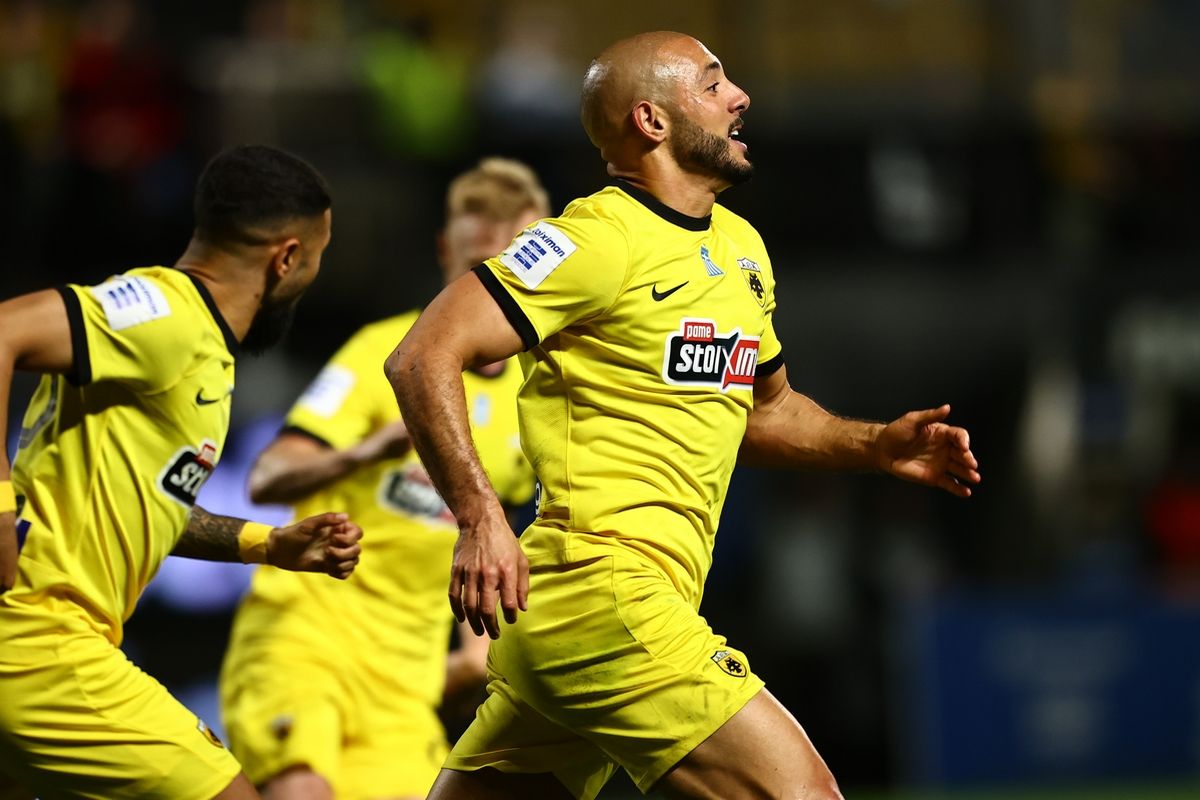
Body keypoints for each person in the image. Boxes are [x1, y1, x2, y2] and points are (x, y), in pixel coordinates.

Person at [384, 31, 982, 800]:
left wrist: (873, 445)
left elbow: (764, 411)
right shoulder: (592, 240)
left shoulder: (741, 249)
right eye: (712, 83)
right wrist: (479, 517)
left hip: (594, 617)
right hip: (604, 594)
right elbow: (422, 355)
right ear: (652, 120)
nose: (740, 97)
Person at [0, 144, 363, 800]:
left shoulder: (197, 347)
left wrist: (267, 544)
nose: (314, 273)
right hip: (41, 639)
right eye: (318, 255)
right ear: (286, 258)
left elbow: (147, 503)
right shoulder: (165, 313)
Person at [219, 158, 548, 800]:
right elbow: (267, 476)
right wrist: (366, 451)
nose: (488, 290)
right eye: (475, 268)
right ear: (444, 253)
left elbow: (491, 535)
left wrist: (475, 649)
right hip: (308, 638)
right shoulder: (388, 353)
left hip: (406, 679)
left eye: (506, 270)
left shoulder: (532, 397)